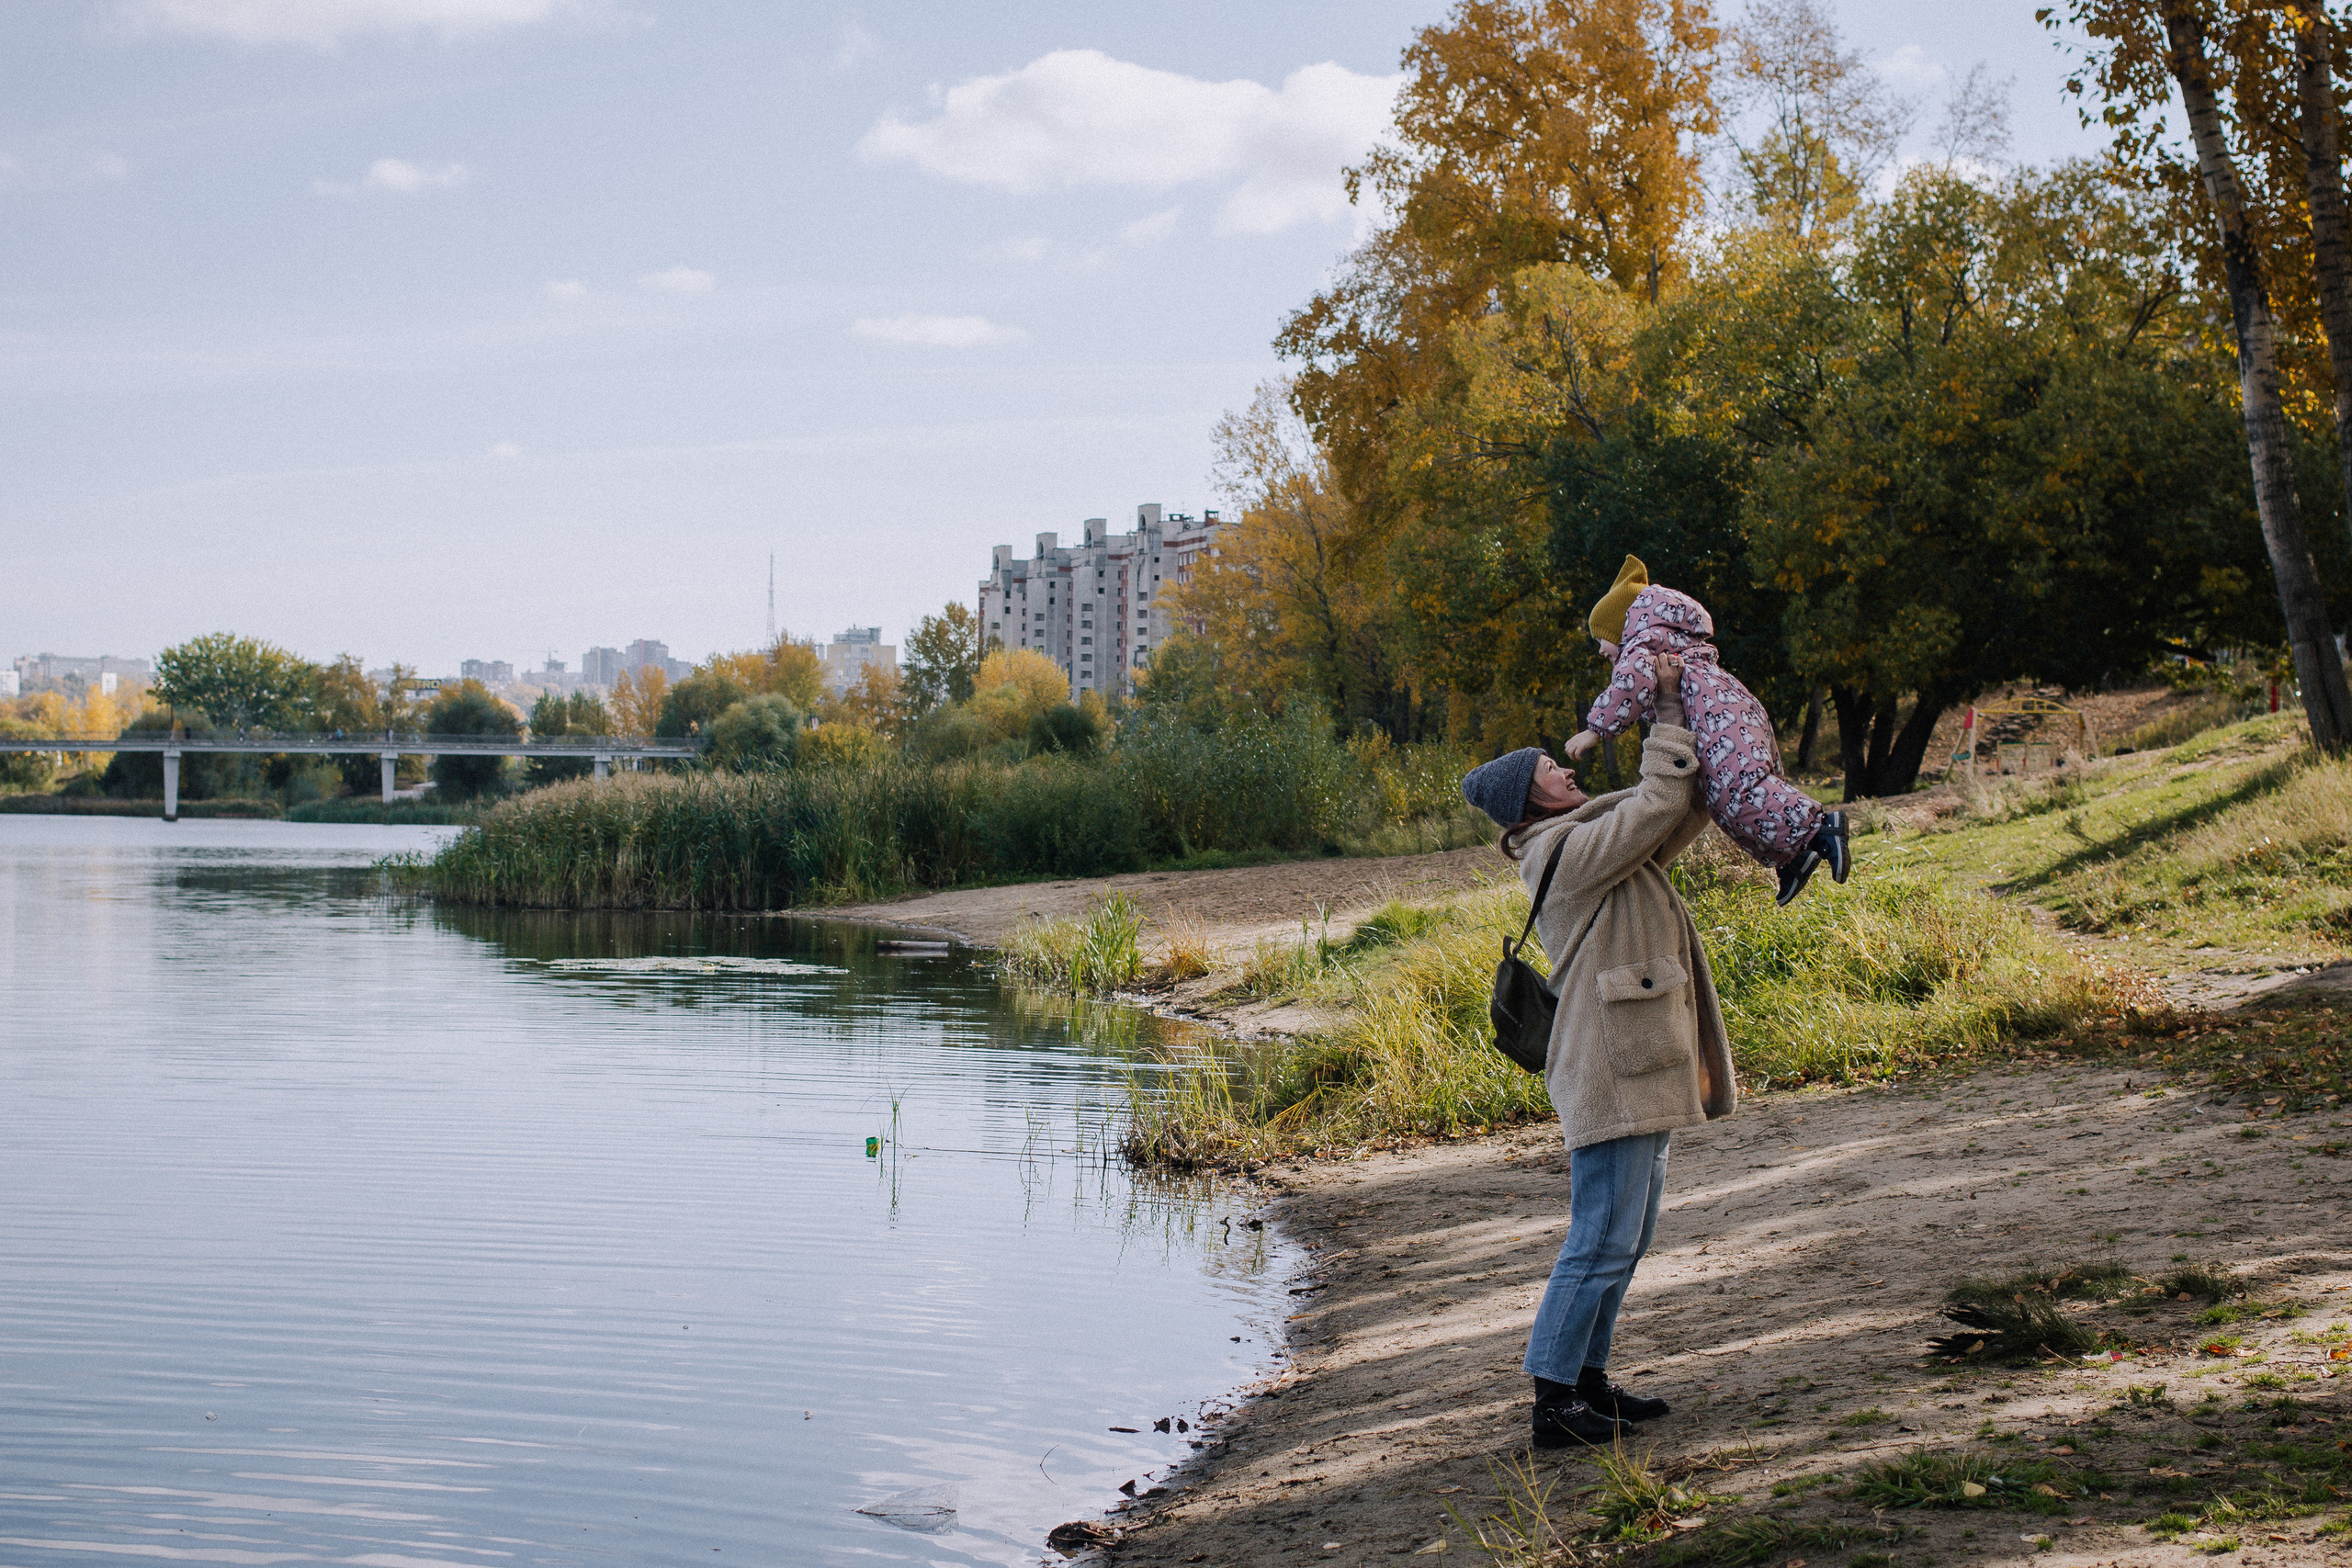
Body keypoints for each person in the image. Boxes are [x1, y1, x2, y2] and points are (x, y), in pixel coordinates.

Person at [1459, 652, 1739, 1449]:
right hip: (1608, 1066)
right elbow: (1654, 804)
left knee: (1629, 1232)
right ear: (1527, 800)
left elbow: (1671, 812)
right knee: (1601, 1235)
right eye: (1550, 767)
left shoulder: (1584, 837)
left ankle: (1589, 1380)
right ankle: (1552, 1399)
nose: (1565, 766)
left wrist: (1682, 718)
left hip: (1633, 1054)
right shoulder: (1558, 853)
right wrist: (1668, 702)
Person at [1566, 555, 1849, 907]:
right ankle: (1792, 858)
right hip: (1730, 716)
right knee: (1724, 803)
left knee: (1741, 793)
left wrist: (1596, 730)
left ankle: (1822, 828)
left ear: (1621, 627)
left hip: (1723, 720)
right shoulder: (1663, 640)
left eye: (1602, 638)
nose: (1599, 649)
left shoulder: (1642, 642)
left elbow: (1630, 684)